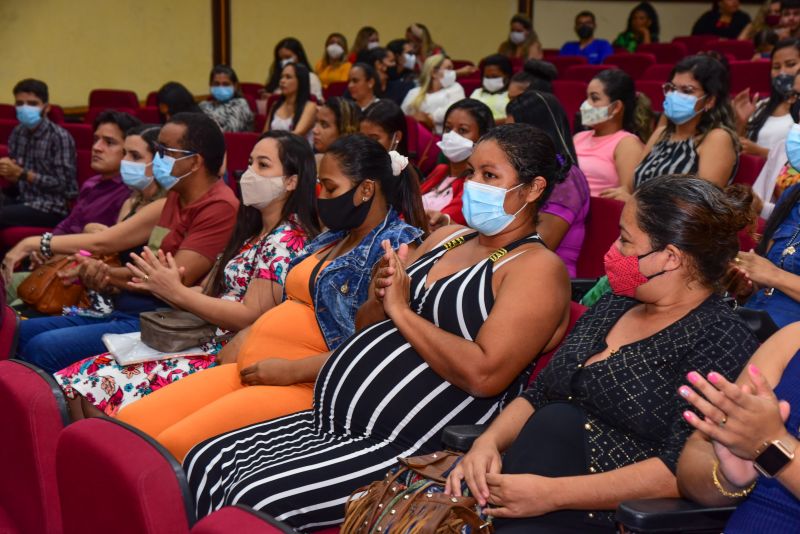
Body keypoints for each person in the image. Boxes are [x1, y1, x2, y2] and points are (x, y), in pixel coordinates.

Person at [181, 123, 572, 528]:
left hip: (407, 446)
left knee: (254, 498)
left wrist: (402, 310)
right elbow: (368, 328)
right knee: (204, 461)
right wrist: (379, 293)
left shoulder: (536, 269)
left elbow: (485, 374)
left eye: (490, 176)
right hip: (331, 421)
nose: (473, 184)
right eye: (471, 172)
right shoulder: (450, 238)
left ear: (532, 188)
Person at [446, 175, 759, 533]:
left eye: (625, 239)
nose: (613, 249)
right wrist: (488, 443)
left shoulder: (718, 340)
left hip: (603, 515)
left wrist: (550, 494)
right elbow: (541, 393)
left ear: (670, 258)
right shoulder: (616, 303)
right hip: (522, 492)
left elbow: (681, 470)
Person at [116, 134, 427, 461]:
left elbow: (372, 349)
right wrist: (249, 336)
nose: (321, 196)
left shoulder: (398, 249)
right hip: (254, 367)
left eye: (330, 188)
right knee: (132, 424)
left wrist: (290, 371)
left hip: (306, 384)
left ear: (366, 190)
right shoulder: (333, 237)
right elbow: (291, 303)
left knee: (174, 446)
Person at [53, 131, 321, 419]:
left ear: (292, 181)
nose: (250, 172)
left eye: (263, 165)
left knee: (96, 390)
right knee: (81, 381)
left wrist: (176, 292)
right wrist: (164, 282)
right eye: (250, 162)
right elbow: (213, 294)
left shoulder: (287, 239)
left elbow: (250, 314)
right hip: (202, 336)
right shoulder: (253, 232)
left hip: (226, 352)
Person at [13, 112, 239, 373]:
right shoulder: (177, 197)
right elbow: (106, 241)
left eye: (165, 152)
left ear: (195, 161)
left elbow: (170, 280)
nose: (156, 160)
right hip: (128, 308)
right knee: (21, 331)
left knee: (43, 346)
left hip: (161, 319)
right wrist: (96, 271)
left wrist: (108, 275)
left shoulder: (219, 206)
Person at [2, 125, 165, 285]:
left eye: (135, 156)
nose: (125, 161)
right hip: (103, 285)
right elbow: (112, 254)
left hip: (138, 302)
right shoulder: (131, 202)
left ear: (159, 163)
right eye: (124, 154)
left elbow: (144, 276)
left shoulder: (162, 205)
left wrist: (37, 244)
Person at [676, 323, 800, 533]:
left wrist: (771, 447)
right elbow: (695, 456)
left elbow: (765, 442)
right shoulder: (792, 339)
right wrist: (727, 479)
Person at [506, 90, 590, 278]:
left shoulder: (565, 179)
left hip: (546, 278)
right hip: (514, 267)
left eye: (515, 135)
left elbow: (537, 247)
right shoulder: (526, 170)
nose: (508, 144)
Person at [635, 55, 740, 191]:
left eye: (687, 91)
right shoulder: (662, 132)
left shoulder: (717, 138)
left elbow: (703, 202)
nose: (674, 96)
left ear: (710, 100)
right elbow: (635, 185)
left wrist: (637, 202)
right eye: (672, 88)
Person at [732, 151, 800, 328]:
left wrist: (774, 275)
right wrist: (747, 283)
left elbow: (772, 273)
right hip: (754, 319)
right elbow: (767, 276)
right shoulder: (793, 196)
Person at [0, 79, 77, 231]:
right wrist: (9, 172)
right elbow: (16, 177)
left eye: (32, 104)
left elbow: (65, 186)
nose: (25, 108)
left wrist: (23, 174)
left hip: (51, 206)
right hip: (22, 198)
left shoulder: (59, 137)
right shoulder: (18, 132)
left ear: (46, 108)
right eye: (20, 103)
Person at [424, 99, 495, 229]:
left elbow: (438, 224)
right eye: (448, 128)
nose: (451, 136)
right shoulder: (441, 170)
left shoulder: (476, 185)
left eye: (462, 130)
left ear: (482, 138)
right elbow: (407, 210)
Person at [574, 69, 646, 198]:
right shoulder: (578, 137)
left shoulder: (627, 144)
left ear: (616, 107)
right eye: (587, 97)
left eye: (594, 98)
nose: (585, 105)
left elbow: (627, 196)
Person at [734, 39, 800, 158]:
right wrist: (741, 123)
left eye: (790, 64)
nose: (782, 72)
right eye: (776, 67)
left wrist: (761, 152)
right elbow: (739, 150)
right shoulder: (762, 105)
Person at [401, 55, 465, 135]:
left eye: (452, 69)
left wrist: (428, 118)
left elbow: (453, 111)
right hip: (415, 135)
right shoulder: (414, 92)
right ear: (434, 72)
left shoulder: (455, 87)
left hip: (443, 137)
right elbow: (403, 116)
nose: (452, 73)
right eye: (448, 69)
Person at [265, 63, 316, 146]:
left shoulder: (310, 106)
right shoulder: (275, 105)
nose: (282, 81)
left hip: (297, 153)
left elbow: (297, 134)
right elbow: (265, 134)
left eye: (288, 77)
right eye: (281, 77)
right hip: (274, 152)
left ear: (300, 80)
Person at [264, 38, 323, 102]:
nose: (284, 61)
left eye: (288, 57)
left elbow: (315, 102)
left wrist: (277, 98)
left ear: (299, 56)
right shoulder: (277, 77)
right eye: (281, 59)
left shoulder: (311, 77)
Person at [199, 65, 254, 133]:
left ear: (235, 86)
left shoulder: (240, 104)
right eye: (216, 84)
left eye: (225, 84)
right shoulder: (203, 106)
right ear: (210, 85)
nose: (221, 87)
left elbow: (230, 132)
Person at [470, 54, 512, 122]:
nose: (490, 80)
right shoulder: (476, 93)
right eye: (487, 77)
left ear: (507, 76)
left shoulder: (512, 94)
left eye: (494, 76)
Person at [384, 40, 418, 105]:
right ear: (398, 56)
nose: (413, 57)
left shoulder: (412, 76)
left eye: (414, 54)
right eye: (409, 53)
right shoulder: (386, 77)